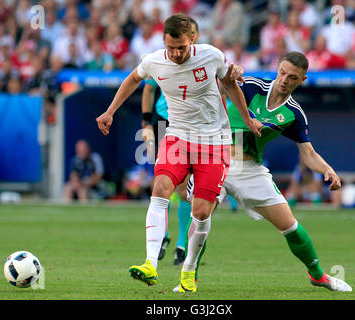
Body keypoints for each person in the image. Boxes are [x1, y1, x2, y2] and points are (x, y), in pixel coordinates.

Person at [95, 13, 262, 292]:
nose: (175, 53)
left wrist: (247, 119)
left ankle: (188, 272)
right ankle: (150, 263)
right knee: (160, 187)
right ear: (164, 41)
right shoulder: (154, 60)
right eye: (171, 47)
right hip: (178, 137)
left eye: (181, 48)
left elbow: (231, 85)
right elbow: (133, 79)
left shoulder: (211, 56)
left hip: (214, 141)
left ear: (192, 40)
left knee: (201, 210)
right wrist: (110, 111)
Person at [179, 51, 353, 292]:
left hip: (250, 170)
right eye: (282, 73)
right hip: (215, 159)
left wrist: (327, 169)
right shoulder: (252, 85)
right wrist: (232, 73)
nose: (284, 80)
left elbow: (308, 153)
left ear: (302, 80)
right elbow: (223, 83)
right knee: (199, 217)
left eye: (292, 77)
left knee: (290, 226)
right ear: (277, 69)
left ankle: (318, 275)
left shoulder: (293, 113)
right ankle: (189, 280)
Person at [140, 17, 200, 266]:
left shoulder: (204, 60)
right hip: (165, 122)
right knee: (164, 181)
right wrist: (145, 123)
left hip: (193, 126)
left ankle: (181, 244)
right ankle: (163, 237)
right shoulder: (164, 59)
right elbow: (147, 88)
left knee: (184, 187)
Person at [63, 139, 105, 204]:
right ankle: (66, 209)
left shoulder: (95, 158)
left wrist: (87, 183)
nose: (82, 152)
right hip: (80, 184)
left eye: (84, 149)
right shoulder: (75, 160)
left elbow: (99, 175)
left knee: (83, 191)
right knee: (68, 188)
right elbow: (73, 175)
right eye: (80, 150)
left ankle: (85, 210)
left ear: (88, 149)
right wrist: (77, 183)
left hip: (93, 186)